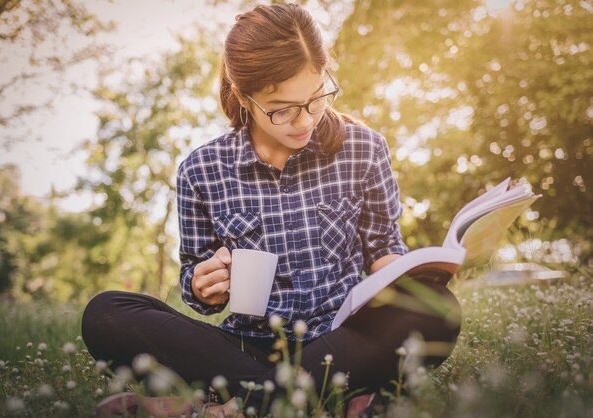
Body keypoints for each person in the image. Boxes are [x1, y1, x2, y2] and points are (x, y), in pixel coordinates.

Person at [82, 3, 461, 417]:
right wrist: (201, 286)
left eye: (316, 98)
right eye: (282, 108)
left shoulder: (364, 148)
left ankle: (222, 407)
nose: (304, 120)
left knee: (438, 309)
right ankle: (329, 396)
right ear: (245, 97)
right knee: (106, 315)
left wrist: (416, 274)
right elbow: (198, 283)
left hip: (342, 340)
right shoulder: (201, 170)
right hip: (245, 347)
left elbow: (383, 245)